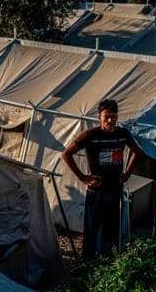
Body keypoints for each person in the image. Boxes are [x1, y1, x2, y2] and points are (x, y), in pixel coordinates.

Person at [61, 99, 142, 256]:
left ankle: (107, 258)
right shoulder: (91, 135)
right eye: (107, 116)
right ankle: (89, 260)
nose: (110, 120)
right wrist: (82, 177)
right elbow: (66, 154)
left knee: (111, 226)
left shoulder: (122, 134)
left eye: (113, 116)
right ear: (99, 117)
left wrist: (126, 174)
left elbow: (137, 152)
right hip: (97, 190)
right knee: (93, 227)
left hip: (115, 188)